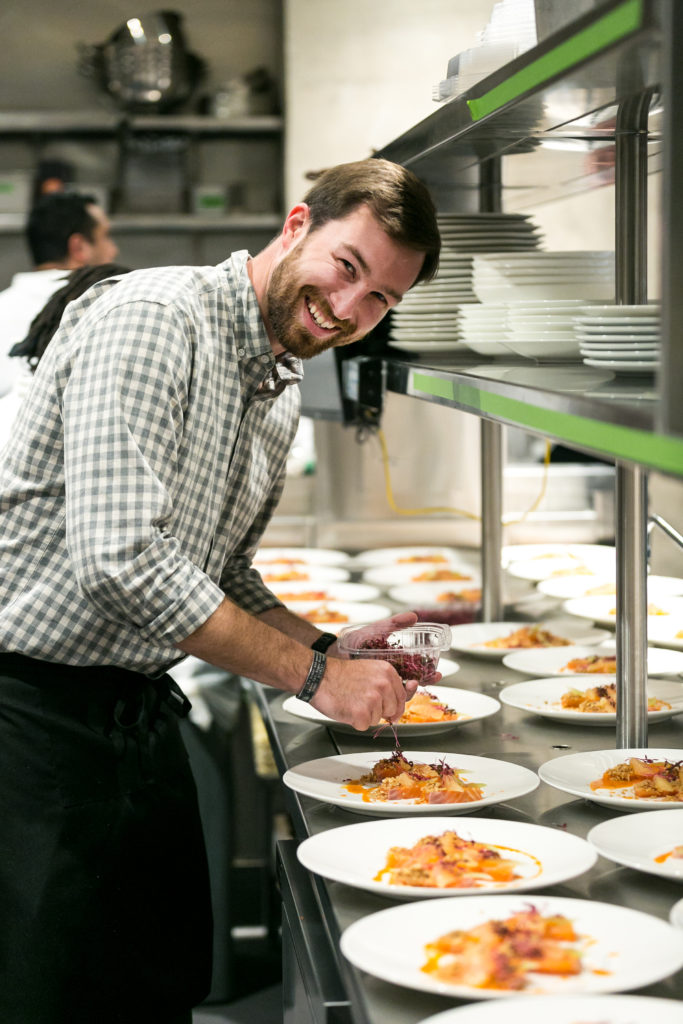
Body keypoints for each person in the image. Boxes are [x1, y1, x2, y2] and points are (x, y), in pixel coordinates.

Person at [0, 158, 440, 1023]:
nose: (348, 309)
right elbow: (121, 561)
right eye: (346, 267)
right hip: (29, 724)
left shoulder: (276, 379)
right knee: (38, 998)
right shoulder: (156, 319)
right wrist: (316, 681)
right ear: (295, 226)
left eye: (380, 300)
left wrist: (326, 645)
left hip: (134, 718)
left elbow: (223, 566)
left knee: (159, 986)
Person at [0, 192, 119, 440]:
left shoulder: (3, 306)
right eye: (105, 237)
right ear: (78, 247)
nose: (114, 250)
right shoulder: (106, 310)